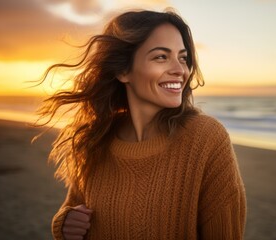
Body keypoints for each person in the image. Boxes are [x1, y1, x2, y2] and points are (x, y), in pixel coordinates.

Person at [37, 9, 246, 240]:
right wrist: (64, 224)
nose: (180, 70)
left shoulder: (206, 138)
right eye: (161, 57)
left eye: (183, 58)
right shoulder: (96, 140)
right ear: (123, 71)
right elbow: (73, 207)